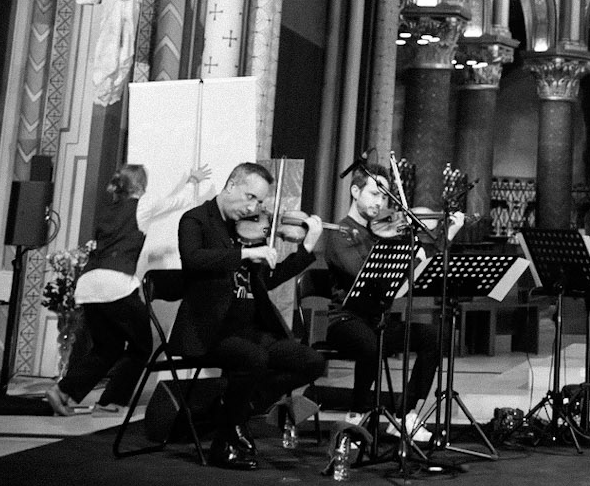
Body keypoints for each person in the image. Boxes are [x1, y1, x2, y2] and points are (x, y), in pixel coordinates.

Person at [171, 162, 327, 468]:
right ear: (231, 185)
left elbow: (265, 280)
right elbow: (193, 260)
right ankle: (222, 444)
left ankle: (234, 412)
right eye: (250, 197)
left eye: (259, 202)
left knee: (311, 362)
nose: (254, 207)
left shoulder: (248, 230)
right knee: (253, 358)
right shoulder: (196, 220)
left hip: (252, 330)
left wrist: (306, 249)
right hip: (211, 330)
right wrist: (244, 253)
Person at [43, 160, 209, 416]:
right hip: (116, 285)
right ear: (141, 185)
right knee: (141, 347)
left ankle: (64, 391)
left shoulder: (110, 210)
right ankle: (110, 402)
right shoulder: (140, 206)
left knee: (106, 348)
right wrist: (193, 181)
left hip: (89, 284)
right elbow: (175, 202)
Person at [320, 163, 446, 447]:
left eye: (385, 198)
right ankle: (358, 413)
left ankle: (404, 415)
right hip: (344, 320)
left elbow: (406, 279)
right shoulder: (341, 233)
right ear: (355, 191)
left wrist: (426, 249)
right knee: (369, 343)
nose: (380, 203)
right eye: (374, 194)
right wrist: (392, 248)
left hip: (377, 320)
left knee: (433, 337)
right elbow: (363, 274)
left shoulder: (383, 233)